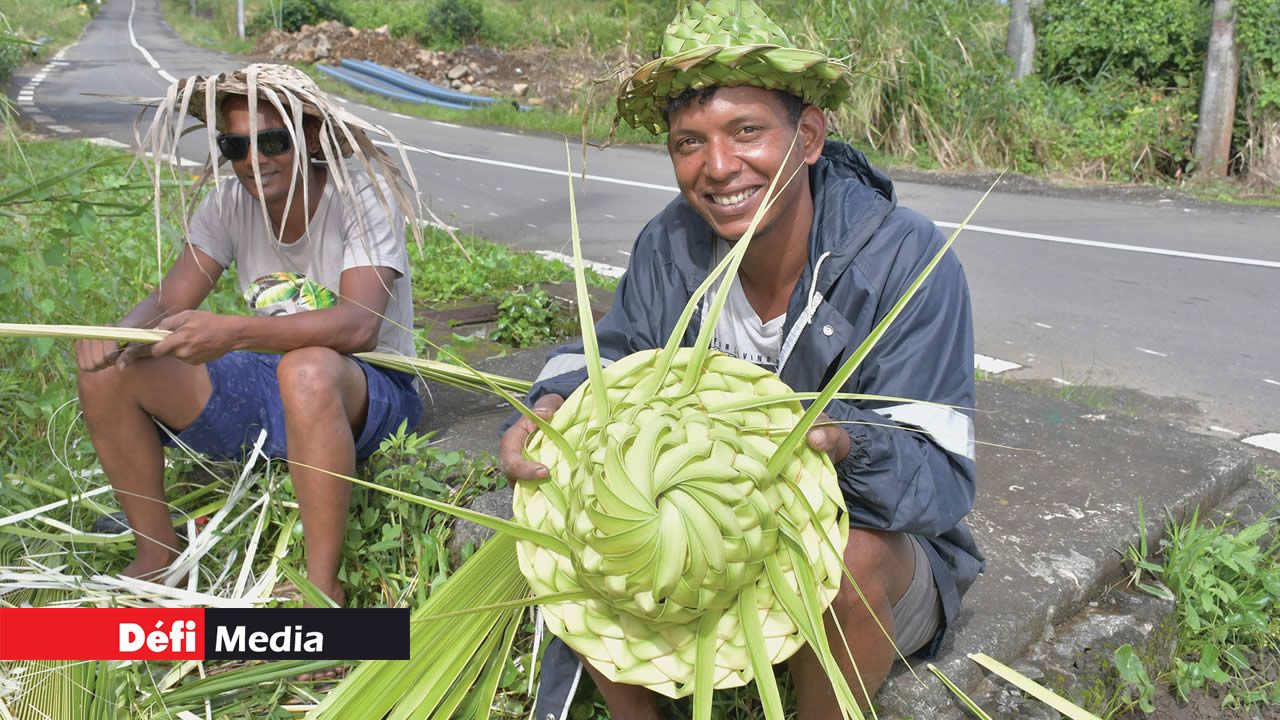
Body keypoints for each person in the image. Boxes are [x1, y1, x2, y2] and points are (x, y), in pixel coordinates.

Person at [498, 2, 984, 717]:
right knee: (580, 525)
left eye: (747, 131)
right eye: (688, 142)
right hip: (717, 553)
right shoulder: (673, 246)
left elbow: (940, 481)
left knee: (854, 559)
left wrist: (840, 446)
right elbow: (617, 353)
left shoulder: (906, 260)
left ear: (809, 135)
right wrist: (550, 409)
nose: (719, 167)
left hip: (872, 561)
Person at [76, 64, 423, 607]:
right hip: (275, 380)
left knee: (305, 368)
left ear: (311, 137)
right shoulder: (228, 203)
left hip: (371, 388)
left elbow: (360, 325)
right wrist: (116, 332)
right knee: (112, 372)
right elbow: (170, 301)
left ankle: (321, 591)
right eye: (236, 145)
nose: (254, 159)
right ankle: (158, 555)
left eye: (272, 140)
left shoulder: (360, 197)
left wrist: (236, 332)